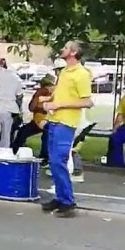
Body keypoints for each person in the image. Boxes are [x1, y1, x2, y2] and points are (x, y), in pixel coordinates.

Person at [40, 42, 92, 217]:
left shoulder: (82, 74)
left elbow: (87, 101)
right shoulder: (64, 72)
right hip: (55, 120)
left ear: (74, 52)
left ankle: (68, 202)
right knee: (53, 161)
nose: (62, 49)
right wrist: (49, 101)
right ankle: (61, 197)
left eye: (66, 47)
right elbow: (61, 95)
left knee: (58, 161)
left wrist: (59, 104)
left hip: (66, 123)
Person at [0, 57, 24, 155]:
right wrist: (20, 111)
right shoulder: (14, 77)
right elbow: (19, 96)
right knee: (6, 134)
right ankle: (5, 154)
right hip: (10, 108)